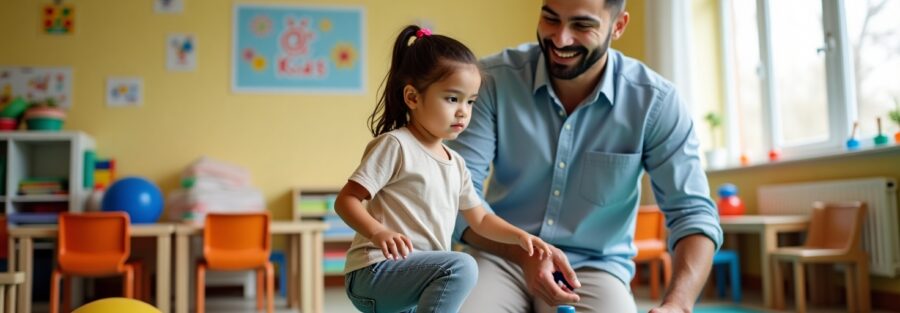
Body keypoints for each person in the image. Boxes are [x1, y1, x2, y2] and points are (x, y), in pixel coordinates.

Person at [445, 1, 724, 312]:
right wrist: (525, 254)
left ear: (618, 26)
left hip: (594, 268)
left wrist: (678, 303)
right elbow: (455, 196)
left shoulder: (656, 103)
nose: (561, 39)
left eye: (582, 25)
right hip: (500, 256)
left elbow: (693, 214)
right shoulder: (490, 82)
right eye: (550, 19)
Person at [335, 25, 555, 313]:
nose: (463, 111)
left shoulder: (456, 163)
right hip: (374, 272)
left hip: (418, 278)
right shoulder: (396, 145)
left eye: (471, 101)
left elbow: (481, 220)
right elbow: (346, 201)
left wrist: (519, 235)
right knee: (462, 265)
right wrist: (378, 233)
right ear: (412, 98)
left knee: (456, 272)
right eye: (452, 99)